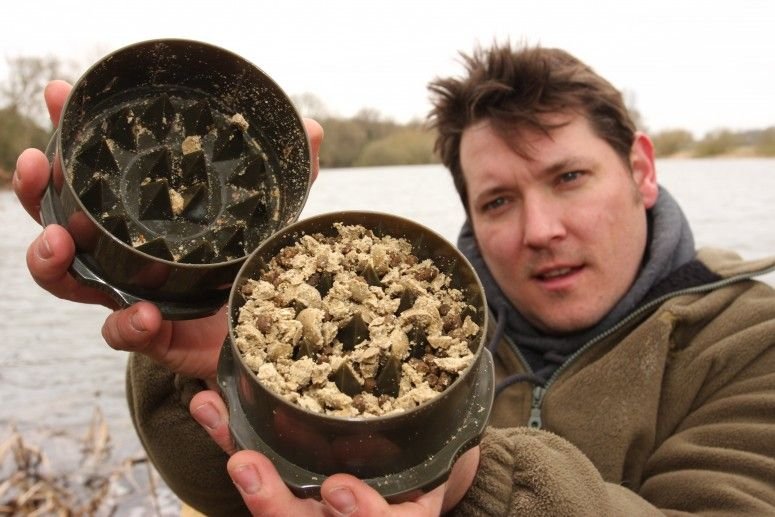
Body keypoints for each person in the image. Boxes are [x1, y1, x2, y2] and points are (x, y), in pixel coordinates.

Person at [14, 43, 775, 516]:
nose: (540, 230)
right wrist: (210, 342)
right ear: (468, 210)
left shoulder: (750, 342)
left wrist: (467, 478)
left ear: (640, 168)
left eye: (569, 177)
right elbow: (219, 486)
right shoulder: (431, 303)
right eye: (498, 201)